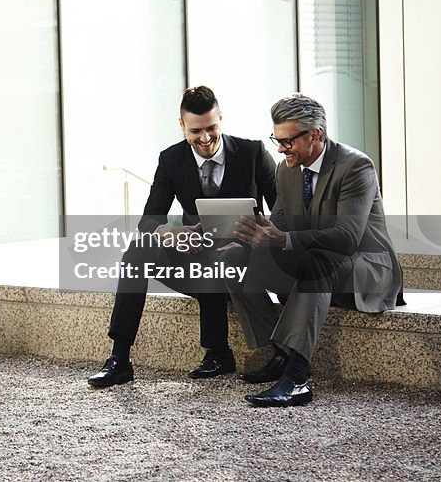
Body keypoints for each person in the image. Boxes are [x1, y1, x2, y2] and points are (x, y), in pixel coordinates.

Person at [88, 86, 277, 388]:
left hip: (243, 263)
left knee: (222, 259)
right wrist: (171, 234)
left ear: (221, 119)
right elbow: (149, 220)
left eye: (211, 128)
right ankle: (119, 358)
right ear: (181, 125)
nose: (205, 138)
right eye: (196, 131)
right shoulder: (171, 159)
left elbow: (283, 212)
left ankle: (218, 353)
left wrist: (252, 235)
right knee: (137, 252)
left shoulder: (253, 153)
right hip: (196, 258)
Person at [227, 93, 403, 407]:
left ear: (315, 135)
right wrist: (252, 232)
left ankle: (296, 379)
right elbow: (281, 222)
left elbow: (347, 237)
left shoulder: (356, 166)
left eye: (287, 141)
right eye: (276, 139)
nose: (280, 149)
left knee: (315, 261)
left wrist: (284, 240)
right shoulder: (286, 170)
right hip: (315, 264)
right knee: (234, 259)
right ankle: (280, 351)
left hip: (366, 268)